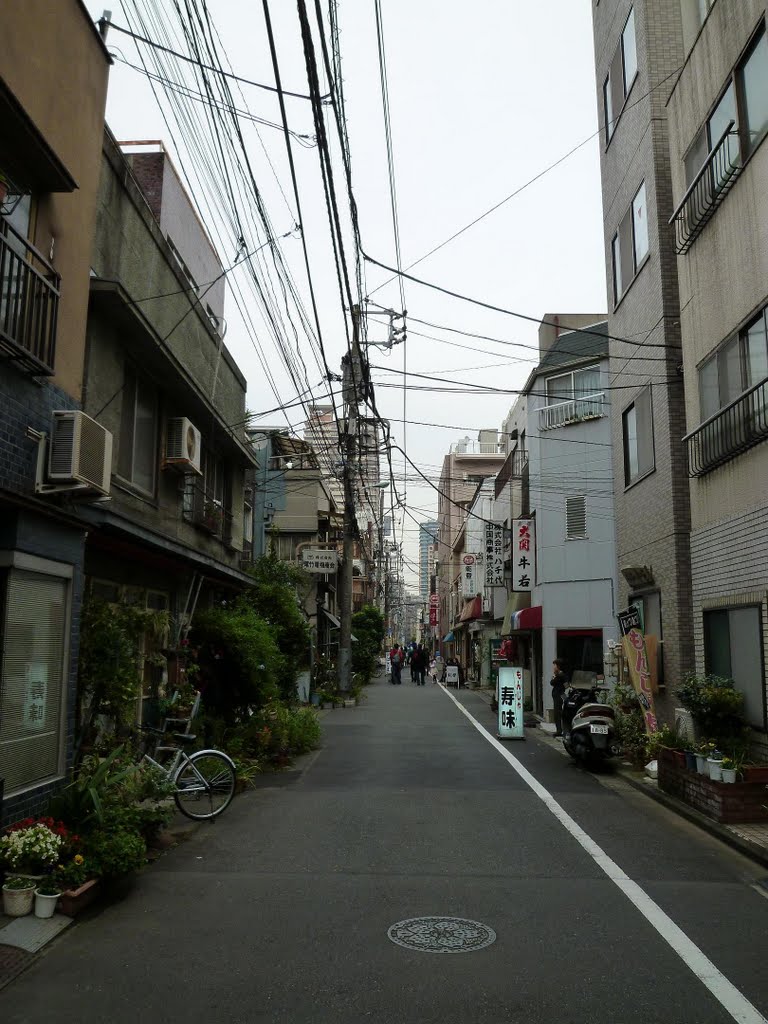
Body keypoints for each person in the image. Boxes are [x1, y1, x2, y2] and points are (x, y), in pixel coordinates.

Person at [550, 657, 568, 736]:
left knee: (558, 713)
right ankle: (559, 730)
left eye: (555, 665)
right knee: (557, 713)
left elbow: (552, 682)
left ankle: (559, 730)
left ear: (558, 666)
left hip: (559, 696)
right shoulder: (560, 675)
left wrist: (554, 676)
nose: (554, 667)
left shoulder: (560, 675)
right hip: (558, 696)